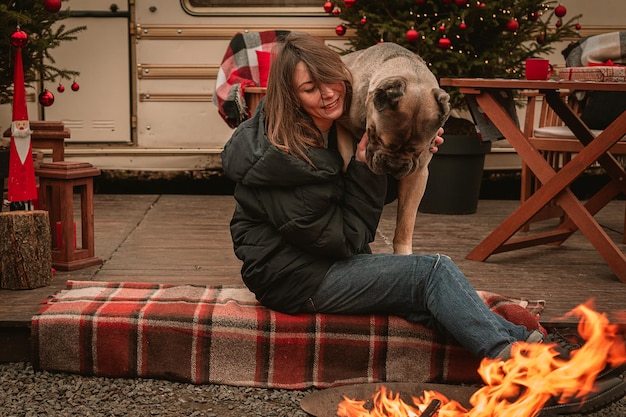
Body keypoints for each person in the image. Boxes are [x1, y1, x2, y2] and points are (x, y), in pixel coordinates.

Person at [220, 33, 625, 394]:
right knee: (430, 272)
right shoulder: (284, 154)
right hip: (295, 278)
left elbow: (346, 214)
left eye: (330, 79)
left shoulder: (321, 129)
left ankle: (536, 349)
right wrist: (365, 167)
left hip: (315, 262)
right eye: (310, 88)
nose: (327, 93)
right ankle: (520, 367)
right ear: (290, 96)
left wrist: (408, 149)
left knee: (432, 299)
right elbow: (345, 240)